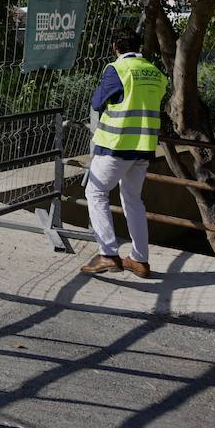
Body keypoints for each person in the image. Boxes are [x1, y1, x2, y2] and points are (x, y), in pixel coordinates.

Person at [80, 28, 169, 278]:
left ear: (114, 47)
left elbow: (97, 102)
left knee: (95, 192)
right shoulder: (155, 72)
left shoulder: (117, 69)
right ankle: (139, 260)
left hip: (116, 144)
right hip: (144, 146)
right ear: (139, 46)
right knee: (133, 200)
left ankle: (108, 254)